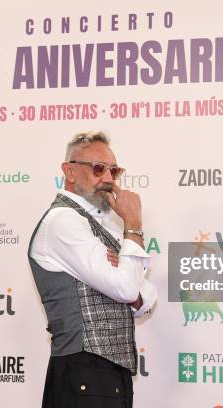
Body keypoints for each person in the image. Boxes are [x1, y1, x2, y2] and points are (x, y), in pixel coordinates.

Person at [28, 131, 157, 407]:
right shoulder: (63, 221)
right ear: (70, 171)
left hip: (105, 376)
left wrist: (129, 287)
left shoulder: (98, 224)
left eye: (114, 170)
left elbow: (145, 296)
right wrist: (133, 223)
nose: (109, 179)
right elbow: (126, 287)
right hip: (83, 374)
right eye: (99, 168)